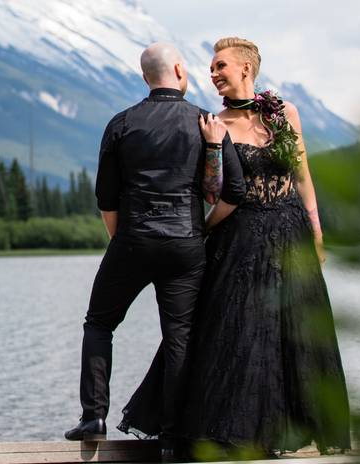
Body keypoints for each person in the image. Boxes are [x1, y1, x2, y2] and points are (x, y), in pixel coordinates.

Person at [119, 37, 351, 457]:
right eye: (210, 67)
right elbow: (213, 192)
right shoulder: (212, 122)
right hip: (239, 237)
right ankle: (231, 435)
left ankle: (289, 431)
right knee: (239, 331)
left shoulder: (285, 114)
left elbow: (302, 178)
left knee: (293, 331)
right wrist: (210, 146)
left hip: (291, 233)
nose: (212, 73)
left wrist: (316, 233)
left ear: (246, 68)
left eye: (220, 65)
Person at [64, 42, 245, 461]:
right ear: (180, 70)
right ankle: (171, 435)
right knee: (179, 336)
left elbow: (106, 197)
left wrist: (122, 242)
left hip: (133, 239)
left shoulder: (122, 123)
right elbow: (233, 191)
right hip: (185, 243)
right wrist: (199, 230)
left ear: (145, 77)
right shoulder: (206, 121)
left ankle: (94, 416)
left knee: (99, 324)